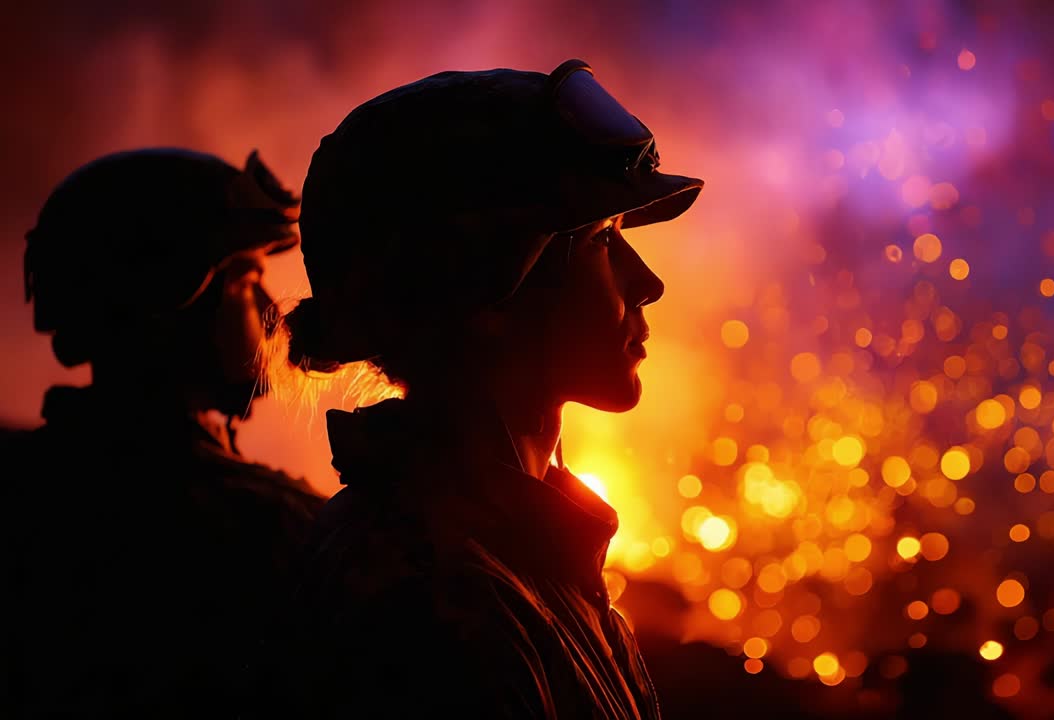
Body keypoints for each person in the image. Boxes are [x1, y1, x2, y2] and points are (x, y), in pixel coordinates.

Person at [269, 59, 702, 718]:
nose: (646, 282)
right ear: (485, 290)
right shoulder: (430, 604)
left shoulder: (524, 556)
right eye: (599, 241)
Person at [1, 148, 325, 716]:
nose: (271, 310)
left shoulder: (20, 489)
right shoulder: (283, 532)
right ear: (175, 296)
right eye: (247, 280)